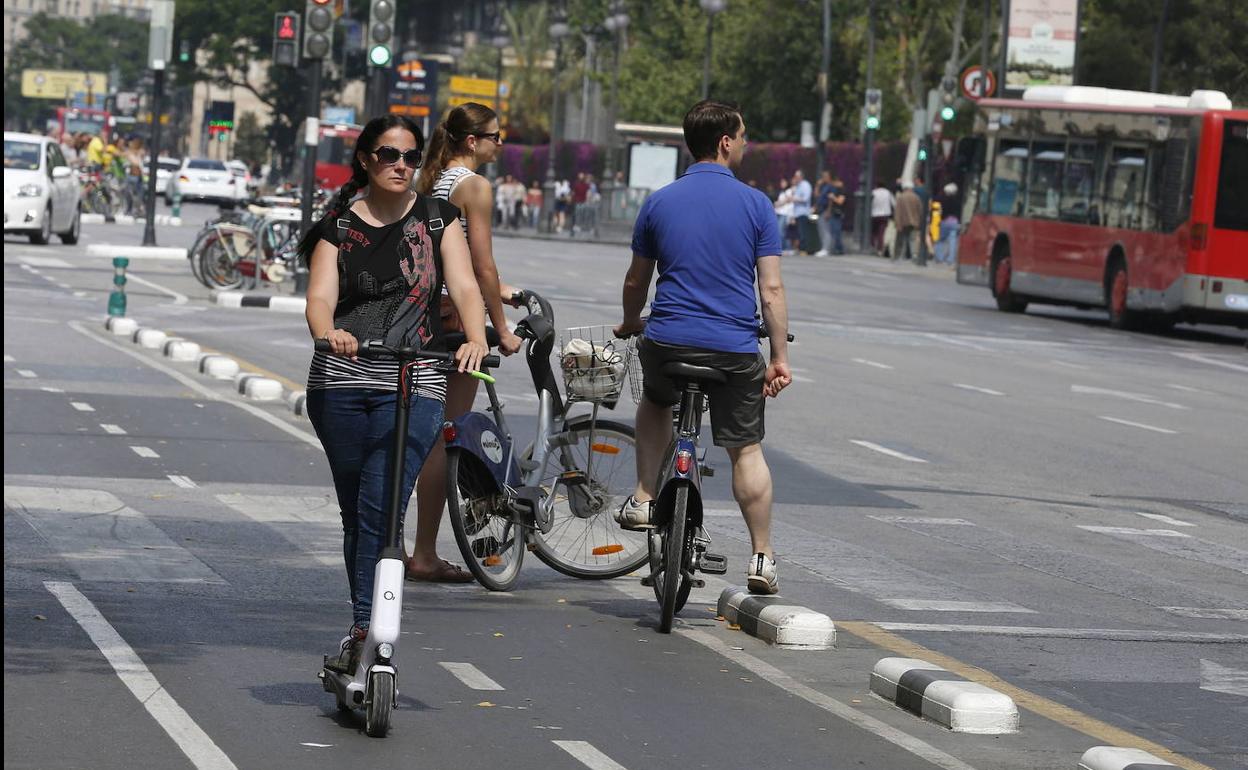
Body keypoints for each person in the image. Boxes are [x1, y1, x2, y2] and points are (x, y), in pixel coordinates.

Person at [295, 114, 491, 670]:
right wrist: (326, 332)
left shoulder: (438, 220)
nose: (401, 165)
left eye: (408, 156)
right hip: (342, 382)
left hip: (415, 380)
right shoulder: (337, 228)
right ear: (365, 160)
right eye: (387, 155)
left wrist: (475, 338)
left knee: (383, 512)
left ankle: (372, 634)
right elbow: (319, 297)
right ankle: (363, 626)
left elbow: (465, 285)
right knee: (358, 514)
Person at [614, 100, 791, 595]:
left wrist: (631, 323)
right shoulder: (757, 205)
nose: (747, 143)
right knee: (746, 450)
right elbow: (771, 291)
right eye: (744, 135)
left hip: (668, 341)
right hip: (734, 350)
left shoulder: (660, 201)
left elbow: (635, 280)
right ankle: (761, 558)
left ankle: (646, 496)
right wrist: (779, 357)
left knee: (655, 401)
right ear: (725, 142)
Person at [410, 101, 525, 583]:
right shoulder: (474, 186)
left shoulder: (432, 181)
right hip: (457, 320)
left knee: (431, 430)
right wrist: (501, 330)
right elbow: (480, 265)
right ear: (472, 142)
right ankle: (424, 553)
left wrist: (505, 293)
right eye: (496, 136)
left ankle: (418, 546)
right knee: (447, 433)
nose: (502, 144)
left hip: (425, 314)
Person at [893, 181, 923, 263]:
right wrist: (919, 221)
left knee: (901, 239)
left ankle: (899, 256)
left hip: (902, 222)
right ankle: (914, 255)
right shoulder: (916, 197)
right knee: (912, 239)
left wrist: (897, 222)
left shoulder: (901, 197)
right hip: (914, 222)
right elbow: (920, 210)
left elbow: (897, 211)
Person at [934, 182, 961, 265]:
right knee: (953, 241)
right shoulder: (958, 200)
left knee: (939, 240)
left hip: (945, 221)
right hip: (955, 221)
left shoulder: (942, 199)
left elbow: (940, 211)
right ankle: (950, 259)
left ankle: (940, 258)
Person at [789, 169, 813, 255]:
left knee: (803, 232)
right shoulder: (798, 186)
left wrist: (795, 199)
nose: (795, 178)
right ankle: (800, 248)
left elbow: (805, 198)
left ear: (801, 176)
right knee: (799, 232)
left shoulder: (805, 185)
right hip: (797, 213)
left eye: (797, 176)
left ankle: (804, 249)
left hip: (803, 212)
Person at [870, 181, 894, 256]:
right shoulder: (888, 193)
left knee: (873, 232)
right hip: (885, 214)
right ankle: (880, 249)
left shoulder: (873, 192)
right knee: (881, 232)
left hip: (874, 214)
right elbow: (893, 203)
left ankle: (873, 245)